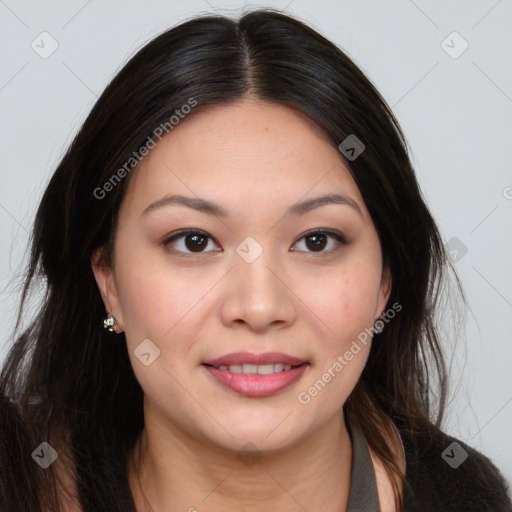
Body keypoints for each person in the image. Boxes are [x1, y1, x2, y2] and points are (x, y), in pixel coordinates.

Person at [0, 8, 510, 512]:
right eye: (193, 242)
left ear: (385, 283)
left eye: (316, 241)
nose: (260, 306)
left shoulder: (469, 497)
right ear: (108, 281)